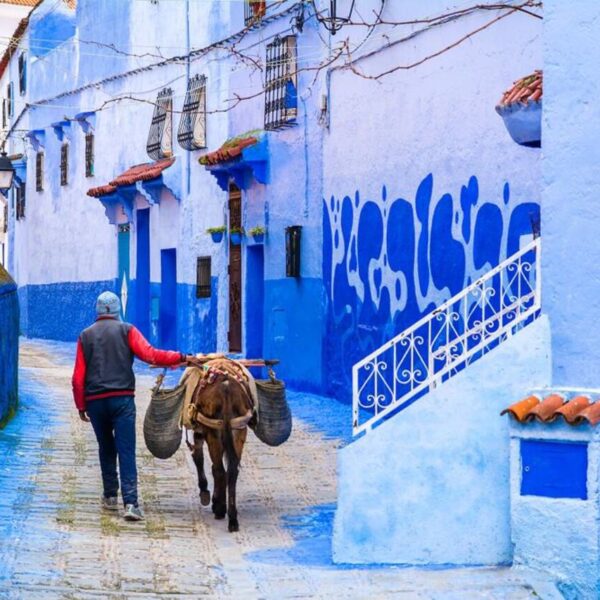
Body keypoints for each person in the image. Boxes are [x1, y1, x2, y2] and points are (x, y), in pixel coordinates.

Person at [72, 291, 190, 521]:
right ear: (117, 311)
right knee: (126, 450)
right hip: (122, 400)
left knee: (106, 448)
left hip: (96, 402)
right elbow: (151, 355)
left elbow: (78, 378)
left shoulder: (85, 336)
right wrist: (180, 356)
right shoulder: (127, 330)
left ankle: (109, 496)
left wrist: (80, 405)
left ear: (97, 311)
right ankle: (131, 503)